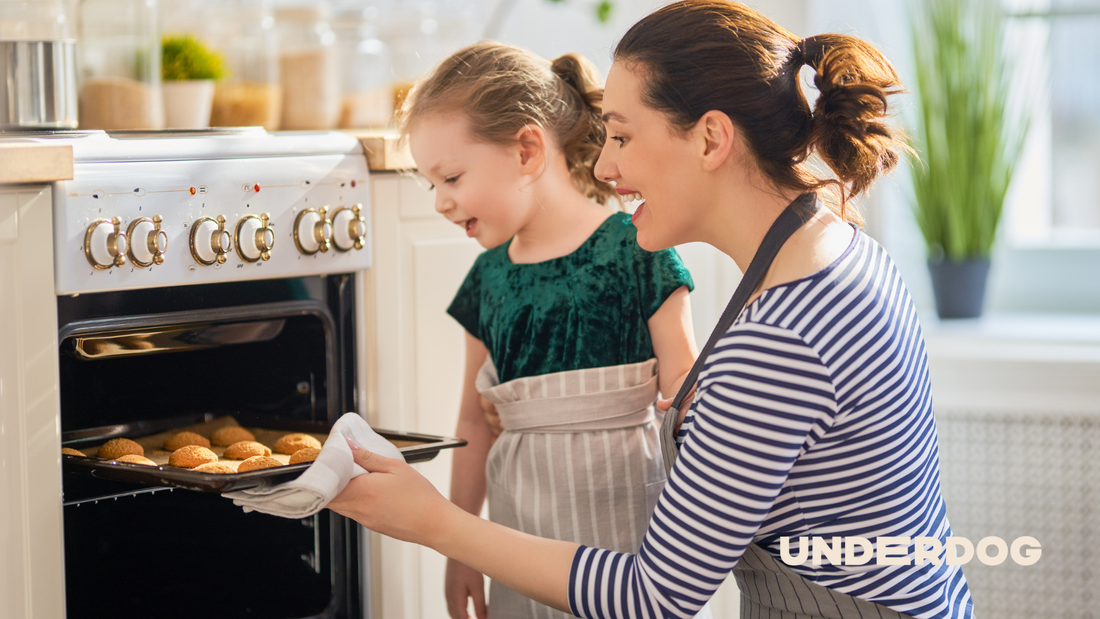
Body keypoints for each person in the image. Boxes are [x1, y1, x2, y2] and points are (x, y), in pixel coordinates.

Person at [328, 2, 975, 617]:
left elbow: (653, 598)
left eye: (622, 136)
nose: (605, 165)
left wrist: (435, 522)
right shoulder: (831, 242)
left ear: (711, 138)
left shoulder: (780, 336)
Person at [397, 41, 699, 619]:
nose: (440, 202)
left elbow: (686, 393)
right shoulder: (488, 278)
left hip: (634, 538)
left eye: (452, 177)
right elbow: (472, 421)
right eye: (430, 184)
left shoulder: (639, 249)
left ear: (528, 149)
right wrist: (460, 554)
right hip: (521, 534)